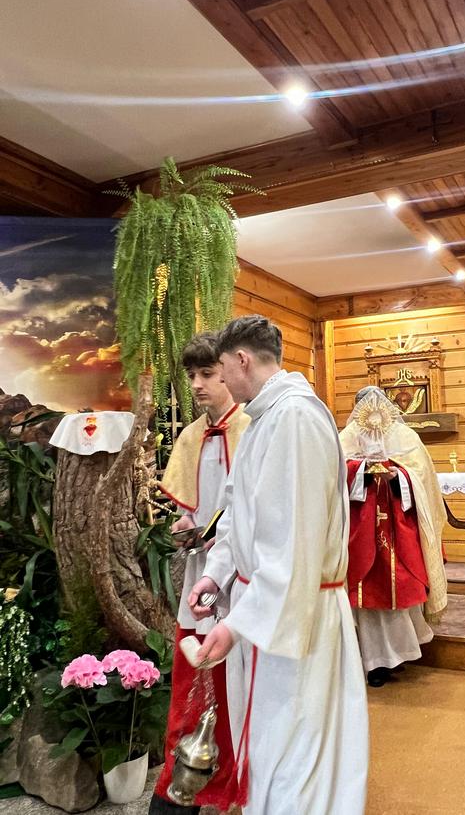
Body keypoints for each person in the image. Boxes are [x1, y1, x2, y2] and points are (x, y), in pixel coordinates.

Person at [188, 315, 368, 815]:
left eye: (222, 369)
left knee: (296, 740)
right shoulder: (267, 417)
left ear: (242, 360)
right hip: (265, 600)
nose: (222, 381)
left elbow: (293, 542)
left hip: (295, 610)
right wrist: (215, 573)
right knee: (272, 736)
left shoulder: (295, 420)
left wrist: (237, 625)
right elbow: (238, 511)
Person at [149, 332, 249, 815]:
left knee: (237, 681)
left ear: (229, 372)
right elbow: (191, 504)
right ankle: (188, 780)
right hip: (201, 573)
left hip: (243, 575)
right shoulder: (190, 435)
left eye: (207, 374)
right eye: (191, 375)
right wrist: (185, 525)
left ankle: (235, 781)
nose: (197, 384)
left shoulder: (252, 428)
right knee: (195, 674)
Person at [339, 386, 447, 687]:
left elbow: (422, 476)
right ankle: (373, 661)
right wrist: (361, 470)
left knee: (400, 587)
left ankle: (398, 654)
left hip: (397, 527)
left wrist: (398, 475)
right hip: (360, 528)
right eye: (364, 405)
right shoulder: (348, 436)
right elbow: (334, 473)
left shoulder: (405, 436)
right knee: (365, 597)